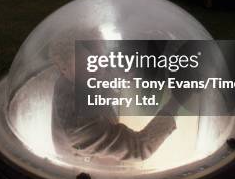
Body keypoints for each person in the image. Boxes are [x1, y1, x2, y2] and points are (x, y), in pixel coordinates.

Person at [50, 32, 180, 162]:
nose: (100, 69)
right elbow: (140, 148)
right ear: (63, 68)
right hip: (94, 174)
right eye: (87, 65)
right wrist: (177, 100)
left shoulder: (72, 79)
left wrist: (117, 78)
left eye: (101, 59)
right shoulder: (79, 124)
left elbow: (98, 79)